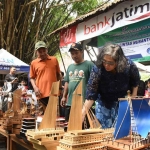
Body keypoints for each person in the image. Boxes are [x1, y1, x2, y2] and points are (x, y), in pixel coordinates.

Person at [82, 43, 140, 129]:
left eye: (110, 63)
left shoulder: (129, 65)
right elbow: (91, 92)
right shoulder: (98, 68)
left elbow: (135, 82)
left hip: (122, 101)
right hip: (103, 102)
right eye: (104, 61)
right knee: (102, 131)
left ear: (118, 61)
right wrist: (83, 112)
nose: (106, 65)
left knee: (120, 131)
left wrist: (133, 96)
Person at [60, 43, 94, 124]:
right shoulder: (70, 67)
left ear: (82, 52)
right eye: (72, 54)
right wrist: (64, 96)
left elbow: (94, 83)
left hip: (84, 102)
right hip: (70, 102)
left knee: (84, 126)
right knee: (69, 125)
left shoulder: (89, 64)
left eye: (76, 53)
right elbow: (67, 83)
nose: (74, 55)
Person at [30, 41, 61, 111]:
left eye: (44, 51)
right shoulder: (33, 63)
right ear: (36, 52)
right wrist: (35, 88)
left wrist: (59, 88)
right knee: (42, 117)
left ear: (47, 50)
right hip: (41, 93)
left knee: (54, 115)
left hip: (54, 93)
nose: (42, 53)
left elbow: (58, 75)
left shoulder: (54, 59)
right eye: (40, 51)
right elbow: (32, 78)